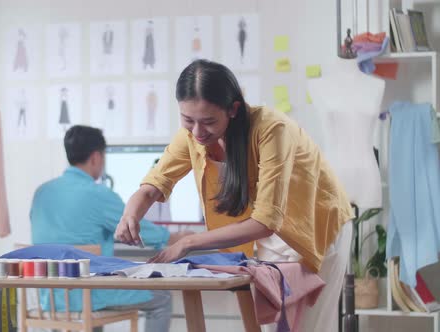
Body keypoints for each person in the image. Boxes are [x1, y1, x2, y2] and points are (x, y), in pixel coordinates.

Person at [114, 59, 354, 331]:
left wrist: (187, 242)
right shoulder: (192, 136)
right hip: (269, 236)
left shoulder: (271, 129)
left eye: (208, 122)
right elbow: (153, 185)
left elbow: (265, 221)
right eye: (187, 120)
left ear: (233, 110)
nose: (197, 132)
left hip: (317, 226)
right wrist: (130, 213)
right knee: (273, 325)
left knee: (310, 326)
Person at [31, 125, 188, 332]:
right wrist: (177, 237)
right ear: (96, 157)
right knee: (162, 297)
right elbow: (136, 226)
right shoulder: (97, 194)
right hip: (86, 295)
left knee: (97, 280)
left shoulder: (41, 192)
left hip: (48, 298)